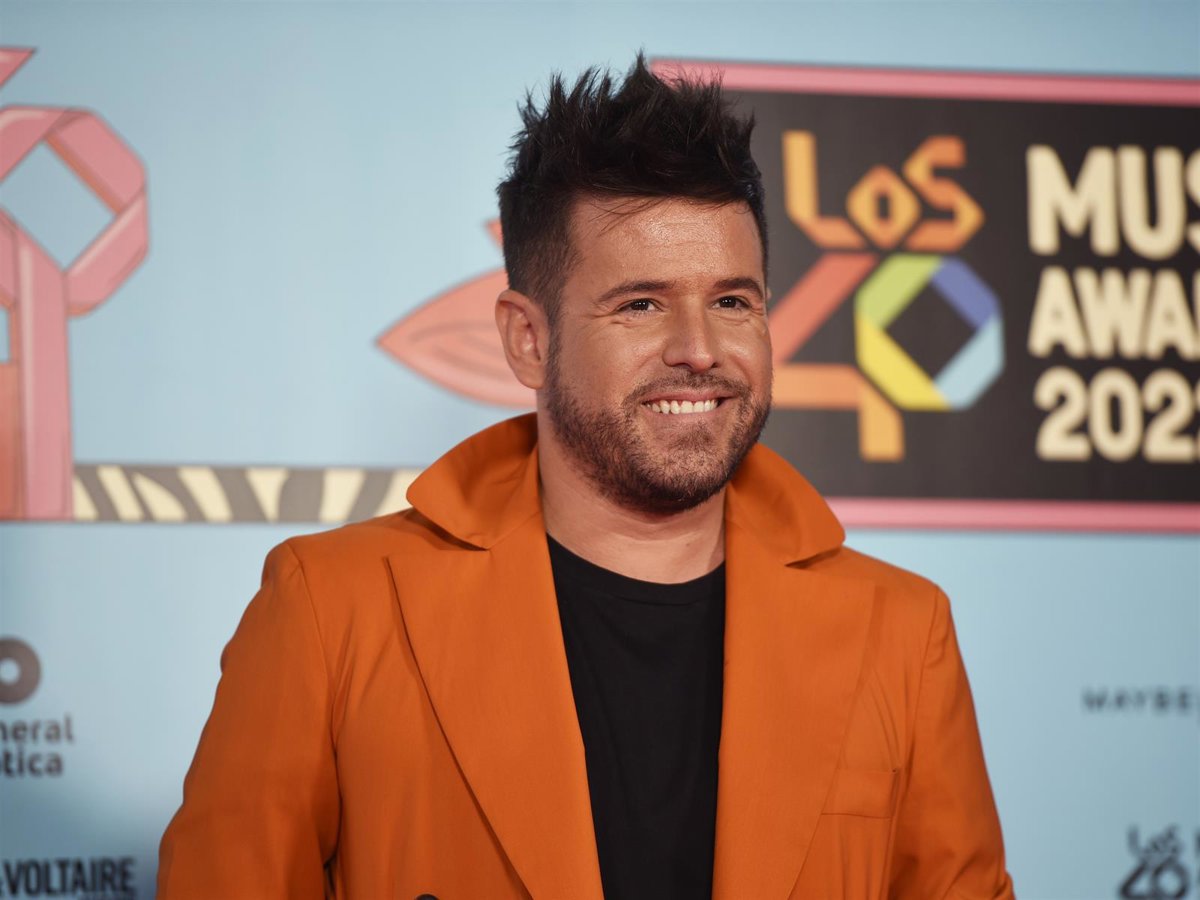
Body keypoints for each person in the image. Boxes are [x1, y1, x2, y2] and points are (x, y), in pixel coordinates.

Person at [158, 56, 1015, 899]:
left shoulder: (902, 632)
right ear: (528, 340)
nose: (700, 350)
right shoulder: (331, 610)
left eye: (732, 301)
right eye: (640, 304)